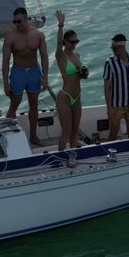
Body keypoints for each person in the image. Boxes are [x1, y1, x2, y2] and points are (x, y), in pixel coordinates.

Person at [1, 5, 47, 146]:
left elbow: (44, 56)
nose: (16, 24)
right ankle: (10, 137)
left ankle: (33, 136)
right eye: (14, 22)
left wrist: (45, 77)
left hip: (34, 71)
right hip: (18, 71)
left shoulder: (38, 35)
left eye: (19, 21)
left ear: (26, 19)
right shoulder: (10, 37)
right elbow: (5, 61)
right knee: (15, 102)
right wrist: (6, 83)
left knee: (34, 103)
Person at [52, 11, 87, 153]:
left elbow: (79, 75)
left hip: (77, 96)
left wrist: (84, 73)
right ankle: (61, 156)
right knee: (66, 132)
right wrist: (60, 25)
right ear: (65, 42)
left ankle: (73, 155)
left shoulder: (76, 55)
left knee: (75, 131)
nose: (75, 44)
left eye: (76, 41)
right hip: (65, 97)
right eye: (72, 42)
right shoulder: (61, 55)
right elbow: (57, 44)